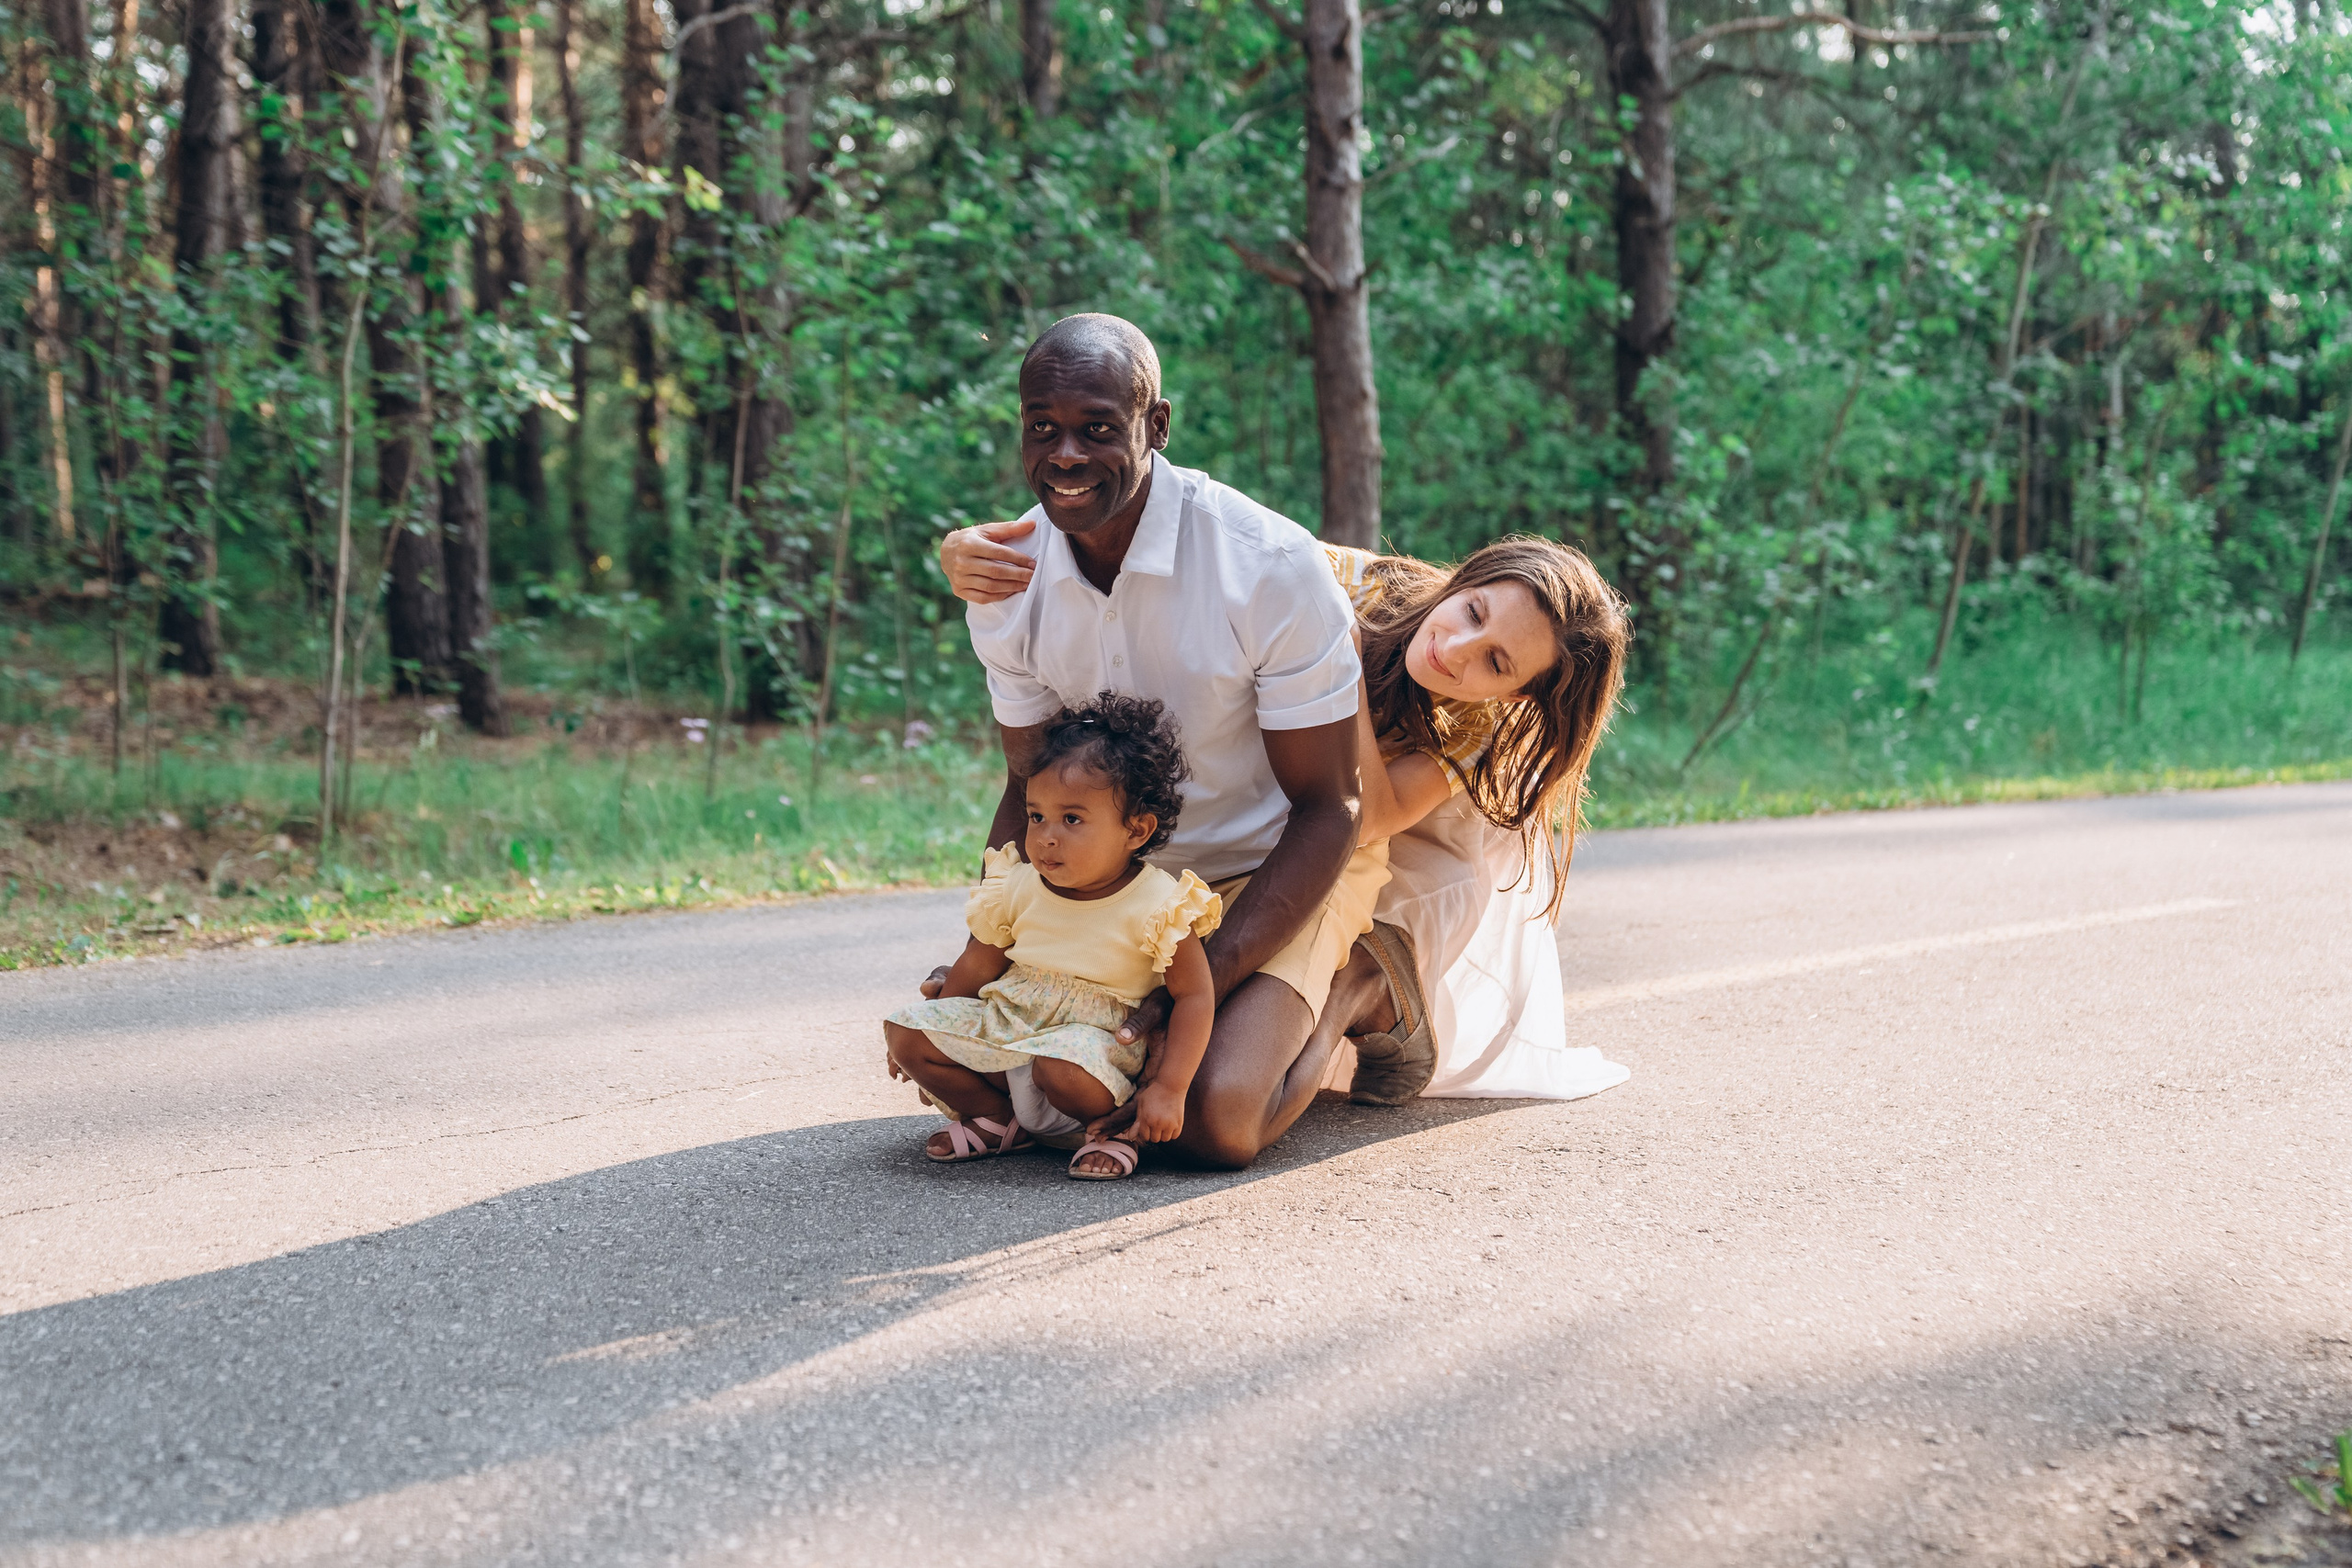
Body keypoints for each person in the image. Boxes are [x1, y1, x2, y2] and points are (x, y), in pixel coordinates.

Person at [926, 311, 1429, 1178]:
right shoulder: (1005, 578)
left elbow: (1330, 806)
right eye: (1042, 428)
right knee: (1013, 1086)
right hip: (1121, 884)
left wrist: (1205, 977)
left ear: (1155, 427)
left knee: (1214, 1120)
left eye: (1097, 428)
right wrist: (1000, 939)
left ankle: (1360, 980)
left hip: (1277, 864)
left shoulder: (1269, 567)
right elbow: (1029, 785)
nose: (1066, 454)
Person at [942, 527, 1635, 1102]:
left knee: (1264, 1033)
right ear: (1465, 579)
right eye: (1473, 612)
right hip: (1293, 806)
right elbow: (1202, 542)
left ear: (1516, 695)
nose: (1454, 650)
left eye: (1495, 662)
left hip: (1402, 835)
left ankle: (1363, 991)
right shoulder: (1358, 581)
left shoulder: (1483, 721)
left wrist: (1332, 656)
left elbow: (1375, 814)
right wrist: (971, 553)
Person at [884, 695, 1222, 1180]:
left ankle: (1108, 1134)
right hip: (1010, 1027)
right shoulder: (1016, 885)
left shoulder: (1161, 904)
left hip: (1089, 1053)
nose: (1045, 836)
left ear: (1136, 829)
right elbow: (978, 965)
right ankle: (997, 1121)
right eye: (1036, 816)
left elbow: (1194, 996)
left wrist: (1171, 1087)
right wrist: (936, 1033)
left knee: (1058, 1064)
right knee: (906, 1030)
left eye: (1072, 819)